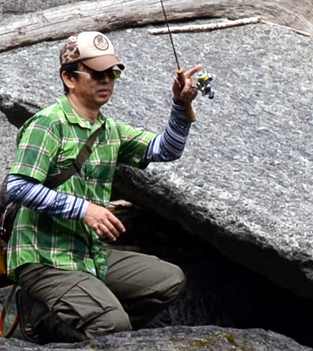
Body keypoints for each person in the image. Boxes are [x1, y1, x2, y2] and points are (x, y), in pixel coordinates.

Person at [3, 31, 202, 343]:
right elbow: (18, 186)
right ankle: (43, 321)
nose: (107, 80)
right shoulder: (47, 123)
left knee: (169, 281)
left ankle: (85, 320)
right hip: (44, 257)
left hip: (89, 254)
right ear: (69, 78)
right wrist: (84, 210)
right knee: (113, 325)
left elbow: (165, 150)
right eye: (97, 73)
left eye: (113, 72)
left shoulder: (109, 130)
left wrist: (180, 104)